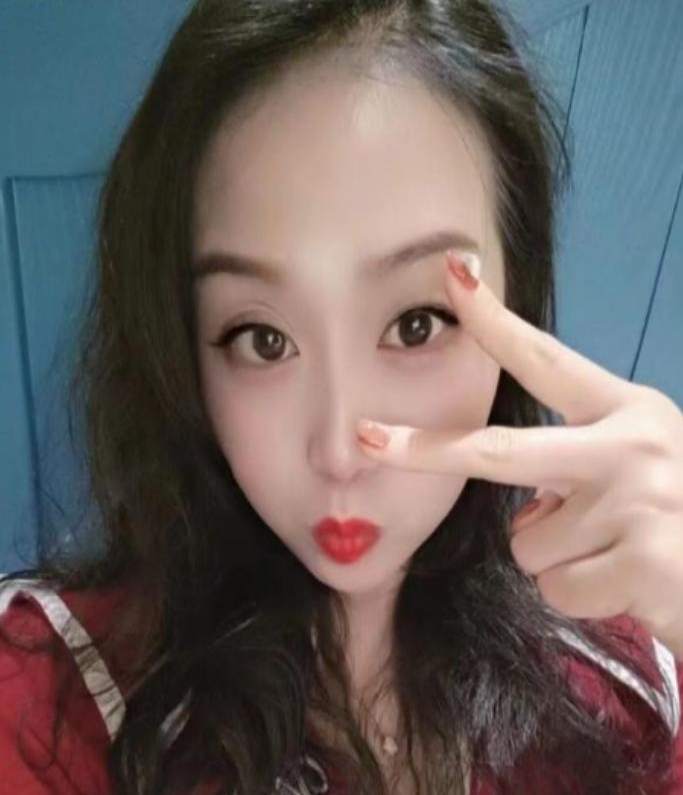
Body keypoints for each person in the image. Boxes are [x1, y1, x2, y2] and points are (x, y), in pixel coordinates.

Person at [1, 0, 682, 793]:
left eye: (416, 323)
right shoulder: (53, 703)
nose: (337, 453)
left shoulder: (623, 679)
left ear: (515, 303)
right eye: (262, 338)